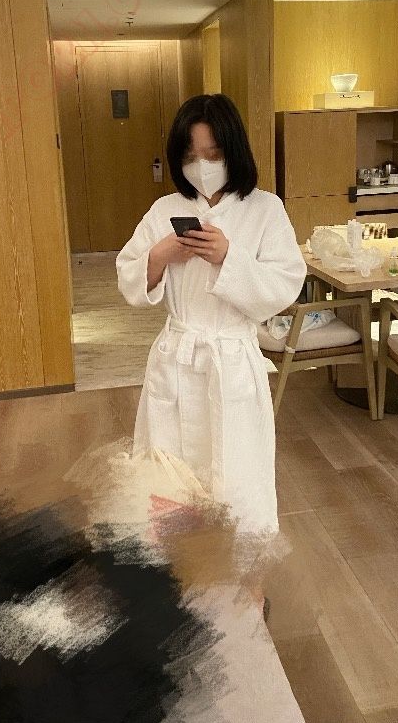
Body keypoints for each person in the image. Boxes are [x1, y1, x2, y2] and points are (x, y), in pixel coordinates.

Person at [116, 94, 307, 533]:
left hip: (232, 360)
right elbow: (128, 276)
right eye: (190, 156)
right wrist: (160, 255)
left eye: (213, 154)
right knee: (168, 475)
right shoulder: (165, 210)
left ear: (233, 151)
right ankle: (177, 564)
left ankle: (241, 568)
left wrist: (228, 258)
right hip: (176, 356)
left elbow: (284, 286)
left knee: (238, 478)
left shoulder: (265, 209)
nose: (201, 166)